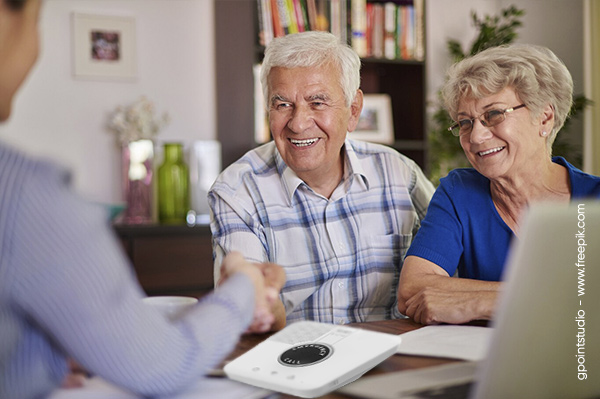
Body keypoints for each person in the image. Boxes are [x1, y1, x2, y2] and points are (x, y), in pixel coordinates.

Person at [0, 1, 285, 398]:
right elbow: (163, 365)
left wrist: (37, 360)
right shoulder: (25, 195)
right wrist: (243, 287)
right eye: (36, 21)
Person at [209, 31, 435, 329]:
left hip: (393, 360)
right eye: (282, 105)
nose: (298, 123)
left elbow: (449, 271)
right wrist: (258, 303)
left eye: (317, 103)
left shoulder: (400, 173)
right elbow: (257, 307)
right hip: (294, 365)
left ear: (353, 111)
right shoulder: (236, 192)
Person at [397, 44, 600, 325]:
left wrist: (484, 300)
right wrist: (527, 298)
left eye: (494, 114)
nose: (476, 137)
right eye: (465, 123)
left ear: (544, 116)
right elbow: (411, 291)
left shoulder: (594, 199)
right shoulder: (459, 192)